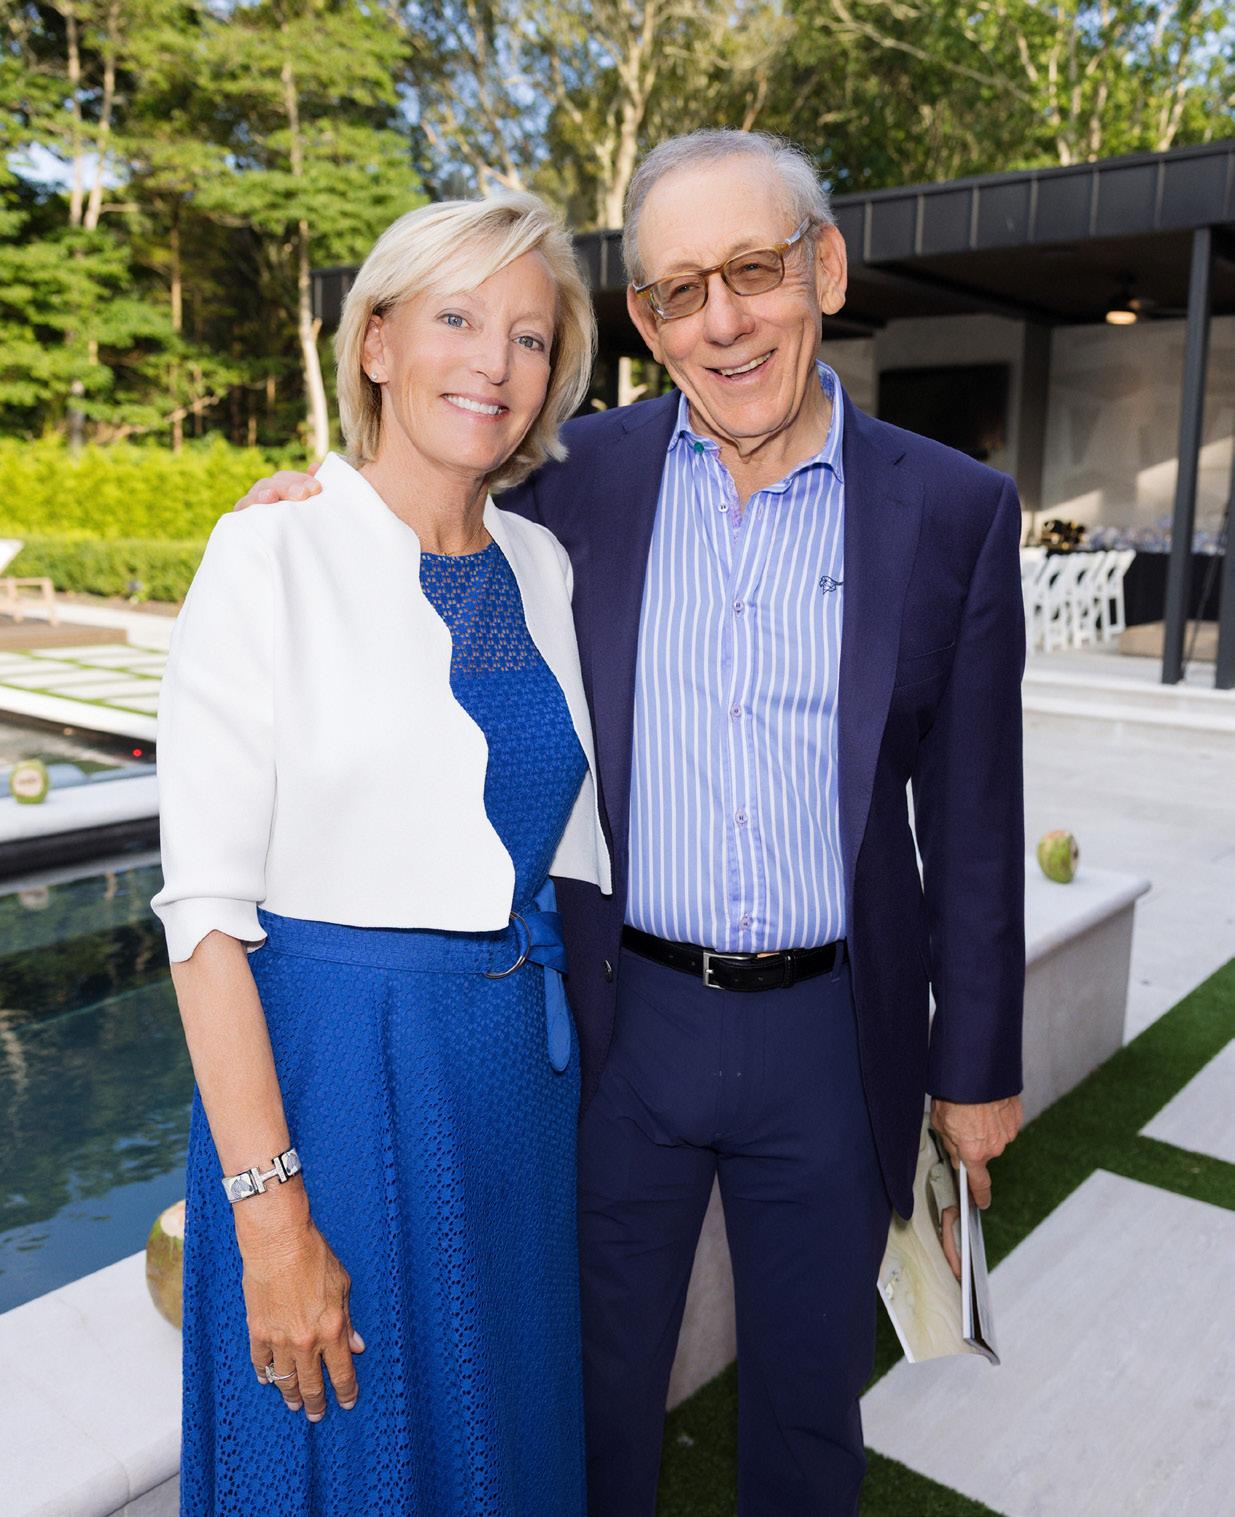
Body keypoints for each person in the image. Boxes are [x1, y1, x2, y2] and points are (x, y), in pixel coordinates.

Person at [237, 128, 1026, 1517]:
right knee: (589, 1401)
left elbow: (972, 816)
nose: (723, 322)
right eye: (678, 291)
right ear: (648, 323)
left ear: (827, 269)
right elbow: (426, 489)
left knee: (810, 1415)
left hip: (832, 1039)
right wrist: (311, 502)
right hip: (621, 1030)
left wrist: (977, 1066)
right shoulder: (571, 482)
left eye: (755, 271)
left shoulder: (953, 511)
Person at [152, 191, 609, 1516]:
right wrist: (270, 1217)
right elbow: (203, 921)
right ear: (375, 343)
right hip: (336, 1090)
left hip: (513, 1088)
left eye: (530, 336)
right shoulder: (270, 551)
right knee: (351, 1456)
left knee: (505, 1445)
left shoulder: (544, 564)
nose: (493, 361)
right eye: (456, 318)